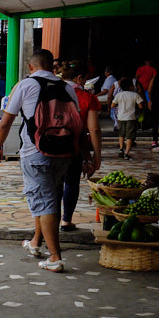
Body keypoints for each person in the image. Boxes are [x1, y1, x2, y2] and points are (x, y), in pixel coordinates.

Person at [0, 49, 79, 273]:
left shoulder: (25, 85)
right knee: (50, 197)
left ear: (31, 67)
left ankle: (56, 257)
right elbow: (78, 123)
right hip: (64, 152)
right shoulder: (68, 88)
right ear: (52, 67)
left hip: (36, 151)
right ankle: (35, 242)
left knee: (44, 200)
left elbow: (5, 121)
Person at [59, 62, 102, 232]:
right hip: (73, 146)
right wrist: (96, 155)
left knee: (52, 185)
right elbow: (94, 129)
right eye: (85, 79)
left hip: (47, 145)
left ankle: (46, 223)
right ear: (79, 78)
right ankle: (66, 220)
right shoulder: (87, 97)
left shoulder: (52, 92)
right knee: (71, 183)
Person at [113, 78, 143, 160]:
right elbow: (141, 106)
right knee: (129, 136)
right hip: (131, 118)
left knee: (121, 134)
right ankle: (126, 153)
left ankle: (121, 149)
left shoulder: (118, 95)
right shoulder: (135, 95)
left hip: (121, 117)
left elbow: (113, 105)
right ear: (130, 86)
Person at [99, 66, 118, 132]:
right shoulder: (110, 78)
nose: (105, 73)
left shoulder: (110, 79)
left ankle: (98, 112)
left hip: (108, 96)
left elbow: (105, 91)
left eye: (105, 71)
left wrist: (95, 95)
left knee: (94, 99)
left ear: (108, 72)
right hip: (109, 95)